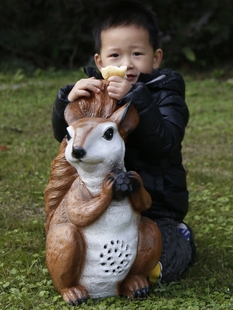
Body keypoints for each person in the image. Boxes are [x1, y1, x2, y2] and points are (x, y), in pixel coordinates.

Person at [51, 0, 196, 284]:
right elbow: (64, 137)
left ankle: (180, 239)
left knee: (152, 266)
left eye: (137, 54)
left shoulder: (167, 94)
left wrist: (137, 98)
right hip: (104, 198)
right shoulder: (93, 92)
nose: (126, 64)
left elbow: (164, 142)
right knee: (77, 255)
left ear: (155, 59)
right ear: (100, 62)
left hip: (153, 201)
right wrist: (66, 102)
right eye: (115, 55)